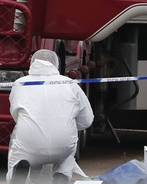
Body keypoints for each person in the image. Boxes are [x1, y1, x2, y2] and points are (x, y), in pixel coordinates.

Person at [7, 49, 94, 184]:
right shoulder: (70, 84)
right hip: (63, 143)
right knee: (66, 157)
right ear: (56, 64)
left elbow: (16, 115)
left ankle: (18, 173)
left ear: (32, 63)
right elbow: (87, 119)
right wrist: (67, 124)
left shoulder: (20, 83)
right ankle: (62, 175)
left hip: (29, 141)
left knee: (21, 152)